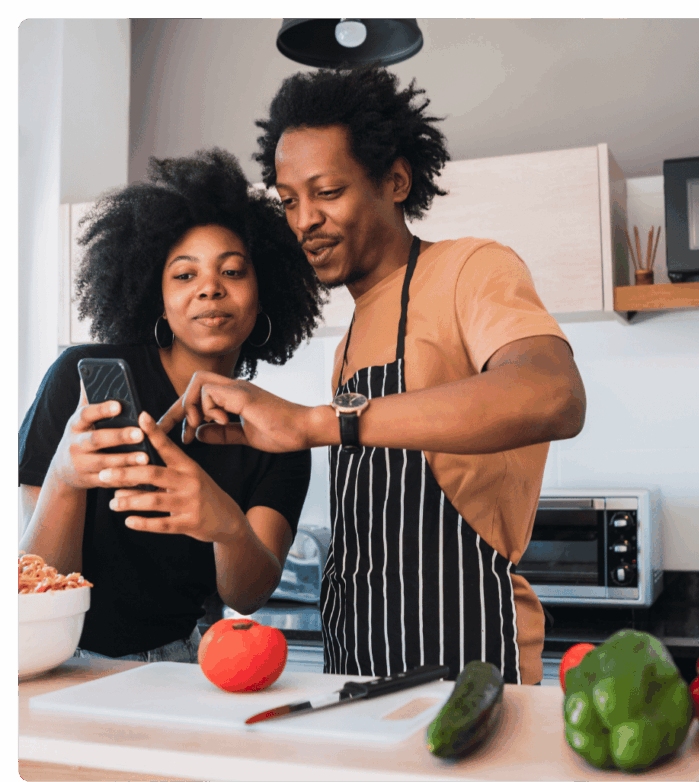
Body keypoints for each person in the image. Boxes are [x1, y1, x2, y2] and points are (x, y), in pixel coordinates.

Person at [164, 67, 587, 684]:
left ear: (394, 180)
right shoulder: (354, 331)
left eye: (326, 192)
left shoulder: (471, 268)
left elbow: (555, 394)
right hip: (356, 652)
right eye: (288, 201)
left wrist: (312, 423)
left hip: (464, 650)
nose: (304, 219)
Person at [18, 148, 326, 662]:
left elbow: (247, 596)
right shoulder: (80, 380)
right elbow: (41, 581)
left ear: (263, 292)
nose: (210, 288)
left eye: (232, 272)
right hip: (60, 657)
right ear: (155, 296)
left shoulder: (281, 434)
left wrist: (227, 524)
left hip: (180, 664)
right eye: (185, 275)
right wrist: (65, 477)